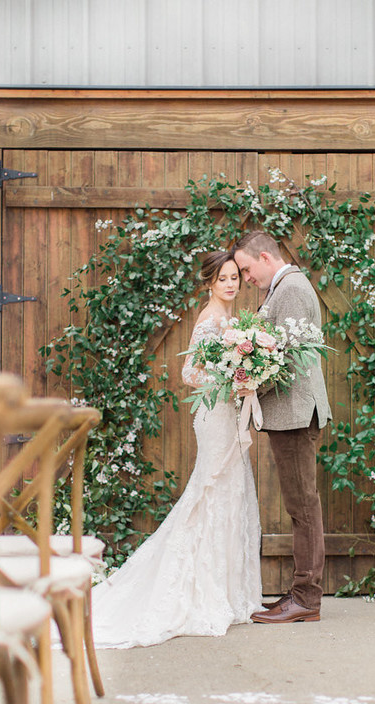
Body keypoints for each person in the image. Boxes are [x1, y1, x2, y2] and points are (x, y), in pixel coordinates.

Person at [92, 250, 262, 647]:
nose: (231, 284)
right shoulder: (209, 321)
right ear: (209, 284)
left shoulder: (234, 322)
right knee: (211, 491)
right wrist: (228, 376)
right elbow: (189, 372)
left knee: (232, 492)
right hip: (214, 417)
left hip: (229, 415)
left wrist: (246, 375)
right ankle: (200, 589)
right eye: (223, 279)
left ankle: (231, 590)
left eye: (235, 276)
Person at [233, 231, 331, 624]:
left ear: (264, 257)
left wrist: (250, 385)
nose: (245, 278)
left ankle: (306, 597)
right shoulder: (284, 287)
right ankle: (300, 594)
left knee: (303, 506)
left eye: (245, 269)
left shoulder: (289, 289)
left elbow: (285, 359)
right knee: (301, 505)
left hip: (294, 414)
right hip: (290, 414)